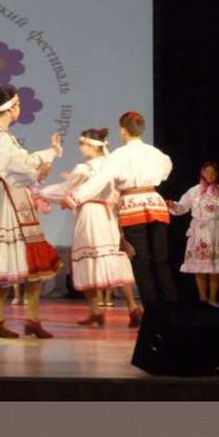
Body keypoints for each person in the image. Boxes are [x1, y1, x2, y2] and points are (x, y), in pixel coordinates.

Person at [0, 86, 64, 339]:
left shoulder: (0, 134)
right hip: (9, 199)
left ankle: (16, 318)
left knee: (20, 261)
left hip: (10, 195)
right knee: (22, 259)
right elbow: (14, 166)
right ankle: (8, 318)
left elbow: (22, 161)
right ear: (10, 108)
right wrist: (36, 171)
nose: (20, 109)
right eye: (18, 105)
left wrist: (49, 154)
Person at [62, 110, 176, 308]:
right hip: (155, 203)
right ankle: (173, 306)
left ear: (123, 131)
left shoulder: (118, 156)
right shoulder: (156, 153)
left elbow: (100, 180)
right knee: (160, 259)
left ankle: (153, 310)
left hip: (133, 206)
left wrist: (75, 197)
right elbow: (166, 169)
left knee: (141, 261)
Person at [40, 129, 142, 327]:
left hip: (90, 215)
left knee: (85, 259)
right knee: (113, 259)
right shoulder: (113, 165)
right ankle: (132, 307)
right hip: (109, 216)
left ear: (91, 146)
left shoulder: (83, 169)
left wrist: (40, 193)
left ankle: (96, 309)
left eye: (82, 144)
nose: (80, 148)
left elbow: (64, 190)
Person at [168, 161, 219, 305]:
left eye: (213, 172)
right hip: (200, 230)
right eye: (207, 172)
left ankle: (212, 299)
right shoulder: (194, 191)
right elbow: (182, 207)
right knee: (200, 266)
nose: (210, 175)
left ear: (216, 174)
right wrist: (173, 206)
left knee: (215, 268)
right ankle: (203, 298)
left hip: (217, 231)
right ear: (202, 173)